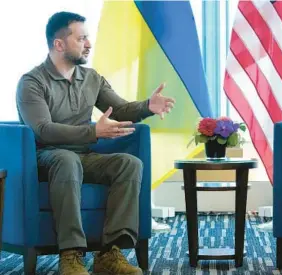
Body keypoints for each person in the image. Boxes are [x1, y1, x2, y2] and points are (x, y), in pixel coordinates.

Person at [16, 12, 175, 275]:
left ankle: (110, 254)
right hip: (46, 158)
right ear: (59, 44)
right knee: (66, 161)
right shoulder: (31, 83)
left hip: (83, 156)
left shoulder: (91, 78)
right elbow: (43, 130)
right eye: (81, 38)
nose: (88, 43)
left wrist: (147, 106)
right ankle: (70, 255)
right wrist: (93, 133)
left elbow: (121, 109)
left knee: (129, 164)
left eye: (87, 37)